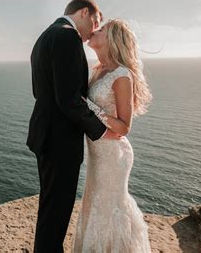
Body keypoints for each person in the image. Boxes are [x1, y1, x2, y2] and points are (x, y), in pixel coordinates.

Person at [26, 0, 121, 253]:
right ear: (84, 13)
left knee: (50, 205)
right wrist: (101, 131)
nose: (94, 29)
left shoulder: (46, 35)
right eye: (96, 22)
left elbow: (40, 90)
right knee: (57, 210)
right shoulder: (67, 37)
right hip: (60, 140)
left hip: (44, 133)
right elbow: (68, 99)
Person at [72, 19, 152, 252]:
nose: (95, 30)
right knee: (95, 205)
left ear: (113, 39)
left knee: (109, 207)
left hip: (114, 154)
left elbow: (124, 127)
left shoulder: (121, 74)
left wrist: (90, 108)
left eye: (102, 28)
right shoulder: (97, 70)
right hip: (98, 154)